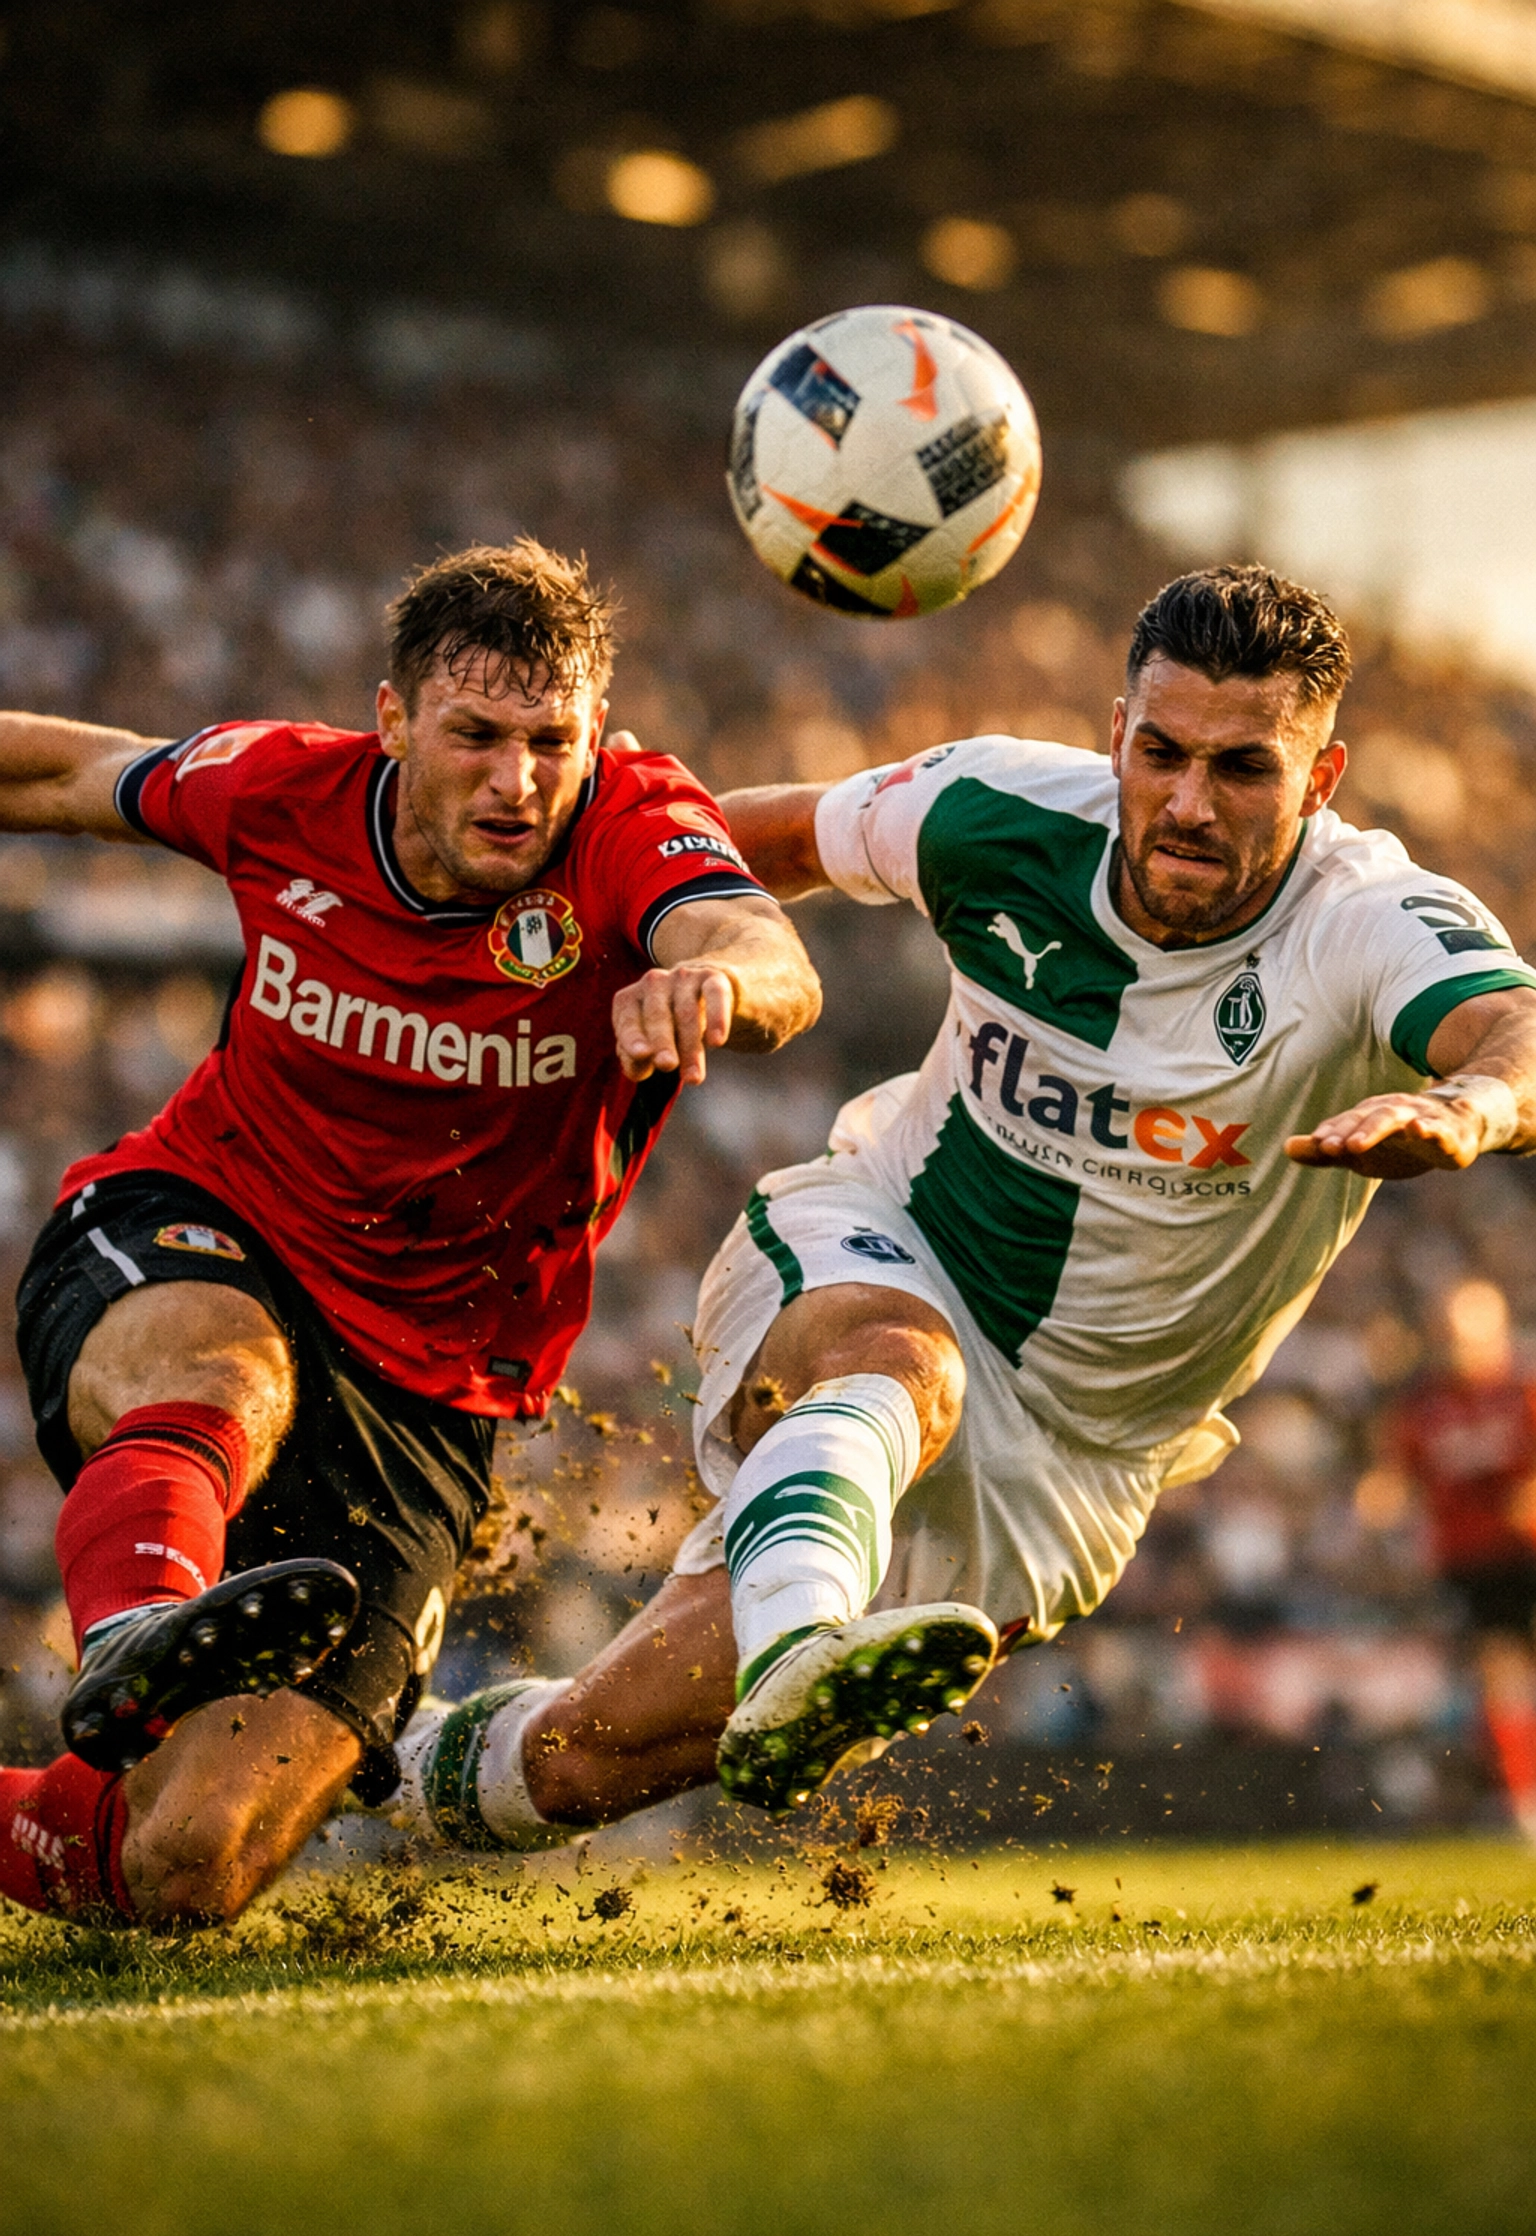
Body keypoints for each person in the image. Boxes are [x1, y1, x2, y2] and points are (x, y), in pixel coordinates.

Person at [390, 562, 1536, 1852]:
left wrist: (1470, 1108)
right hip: (890, 1243)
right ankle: (803, 1645)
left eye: (1244, 769)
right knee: (903, 1363)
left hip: (1076, 1464)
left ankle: (390, 1771)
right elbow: (749, 839)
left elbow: (1516, 1028)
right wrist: (550, 896)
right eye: (1159, 752)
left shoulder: (1367, 921)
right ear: (1116, 732)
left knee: (576, 1765)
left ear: (1320, 780)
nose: (1187, 803)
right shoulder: (994, 808)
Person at [0, 540, 821, 1924]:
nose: (518, 781)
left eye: (551, 741)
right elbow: (69, 774)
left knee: (181, 1867)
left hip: (431, 1392)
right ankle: (139, 1618)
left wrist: (716, 988)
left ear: (596, 738)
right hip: (205, 1225)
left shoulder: (628, 824)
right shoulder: (281, 788)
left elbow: (763, 946)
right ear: (392, 723)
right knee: (226, 1375)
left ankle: (89, 1778)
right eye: (477, 736)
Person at [1393, 1277, 1536, 1841]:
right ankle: (1523, 1797)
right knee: (1500, 1674)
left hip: (1526, 1546)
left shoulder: (1523, 1390)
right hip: (1474, 1558)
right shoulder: (1425, 1405)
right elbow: (1402, 1476)